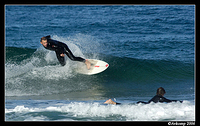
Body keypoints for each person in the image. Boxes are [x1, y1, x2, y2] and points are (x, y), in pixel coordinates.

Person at [104, 87, 183, 105]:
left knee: (127, 105)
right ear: (163, 93)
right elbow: (170, 101)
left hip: (142, 103)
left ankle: (113, 103)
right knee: (127, 106)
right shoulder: (161, 98)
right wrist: (181, 102)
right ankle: (113, 102)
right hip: (143, 105)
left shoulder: (155, 97)